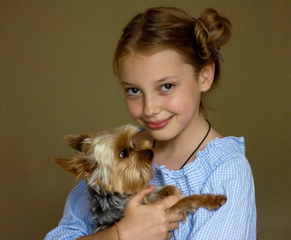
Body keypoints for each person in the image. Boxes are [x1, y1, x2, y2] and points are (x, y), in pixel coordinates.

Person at [45, 6, 256, 240]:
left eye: (166, 86)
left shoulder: (226, 170)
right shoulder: (117, 154)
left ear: (204, 76)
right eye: (134, 90)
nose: (149, 109)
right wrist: (122, 234)